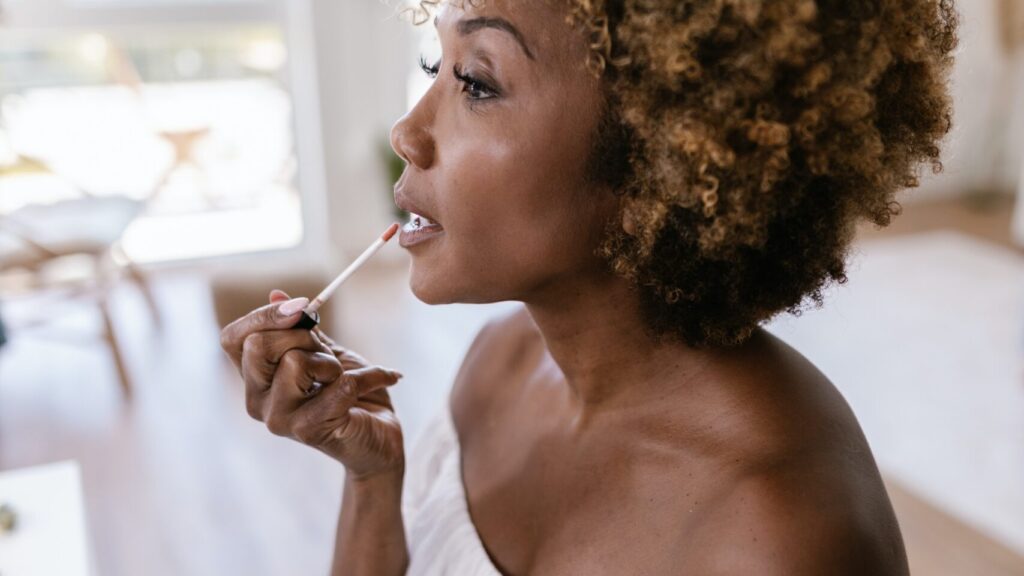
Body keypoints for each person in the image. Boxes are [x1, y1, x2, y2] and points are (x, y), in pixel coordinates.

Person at [220, 0, 958, 573]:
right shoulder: (499, 364)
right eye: (432, 64)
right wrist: (373, 477)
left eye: (476, 81)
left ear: (658, 161)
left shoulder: (779, 536)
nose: (408, 134)